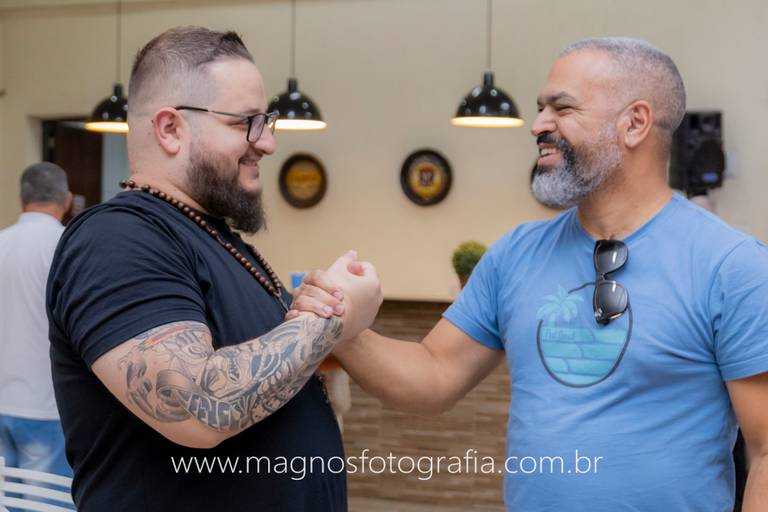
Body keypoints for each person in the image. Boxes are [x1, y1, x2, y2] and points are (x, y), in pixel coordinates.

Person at [292, 37, 768, 511]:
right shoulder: (516, 253)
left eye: (562, 108)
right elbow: (434, 374)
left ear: (635, 123)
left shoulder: (732, 266)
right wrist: (341, 328)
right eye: (541, 108)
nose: (538, 125)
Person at [46, 27, 381, 511]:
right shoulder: (116, 239)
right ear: (170, 129)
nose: (266, 143)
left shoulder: (214, 239)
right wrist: (331, 321)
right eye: (246, 122)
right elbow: (194, 406)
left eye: (267, 122)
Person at [0, 162, 72, 479]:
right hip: (46, 405)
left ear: (21, 198)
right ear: (66, 200)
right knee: (44, 498)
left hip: (3, 399)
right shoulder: (66, 247)